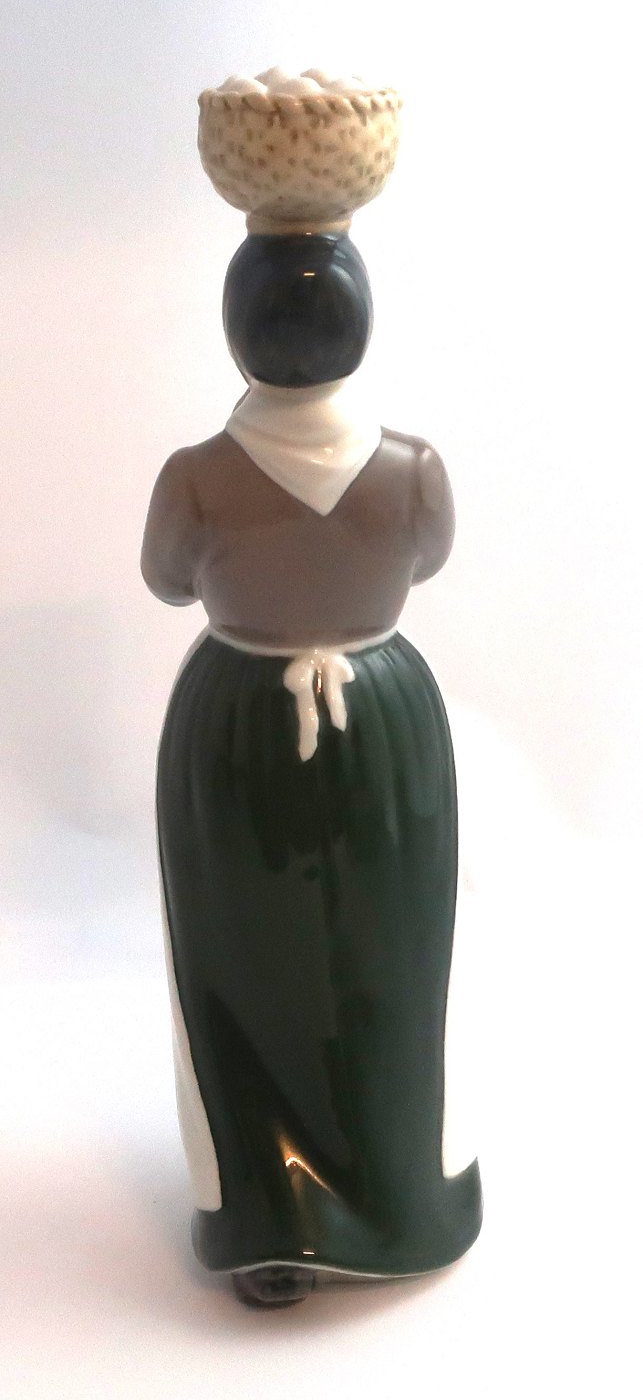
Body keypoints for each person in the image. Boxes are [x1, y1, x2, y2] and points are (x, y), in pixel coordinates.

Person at [142, 70, 482, 1307]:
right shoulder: (414, 470)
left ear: (238, 329)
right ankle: (394, 1191)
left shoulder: (196, 477)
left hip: (235, 729)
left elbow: (165, 580)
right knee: (385, 956)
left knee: (239, 964)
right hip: (383, 727)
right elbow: (425, 561)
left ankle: (265, 1216)